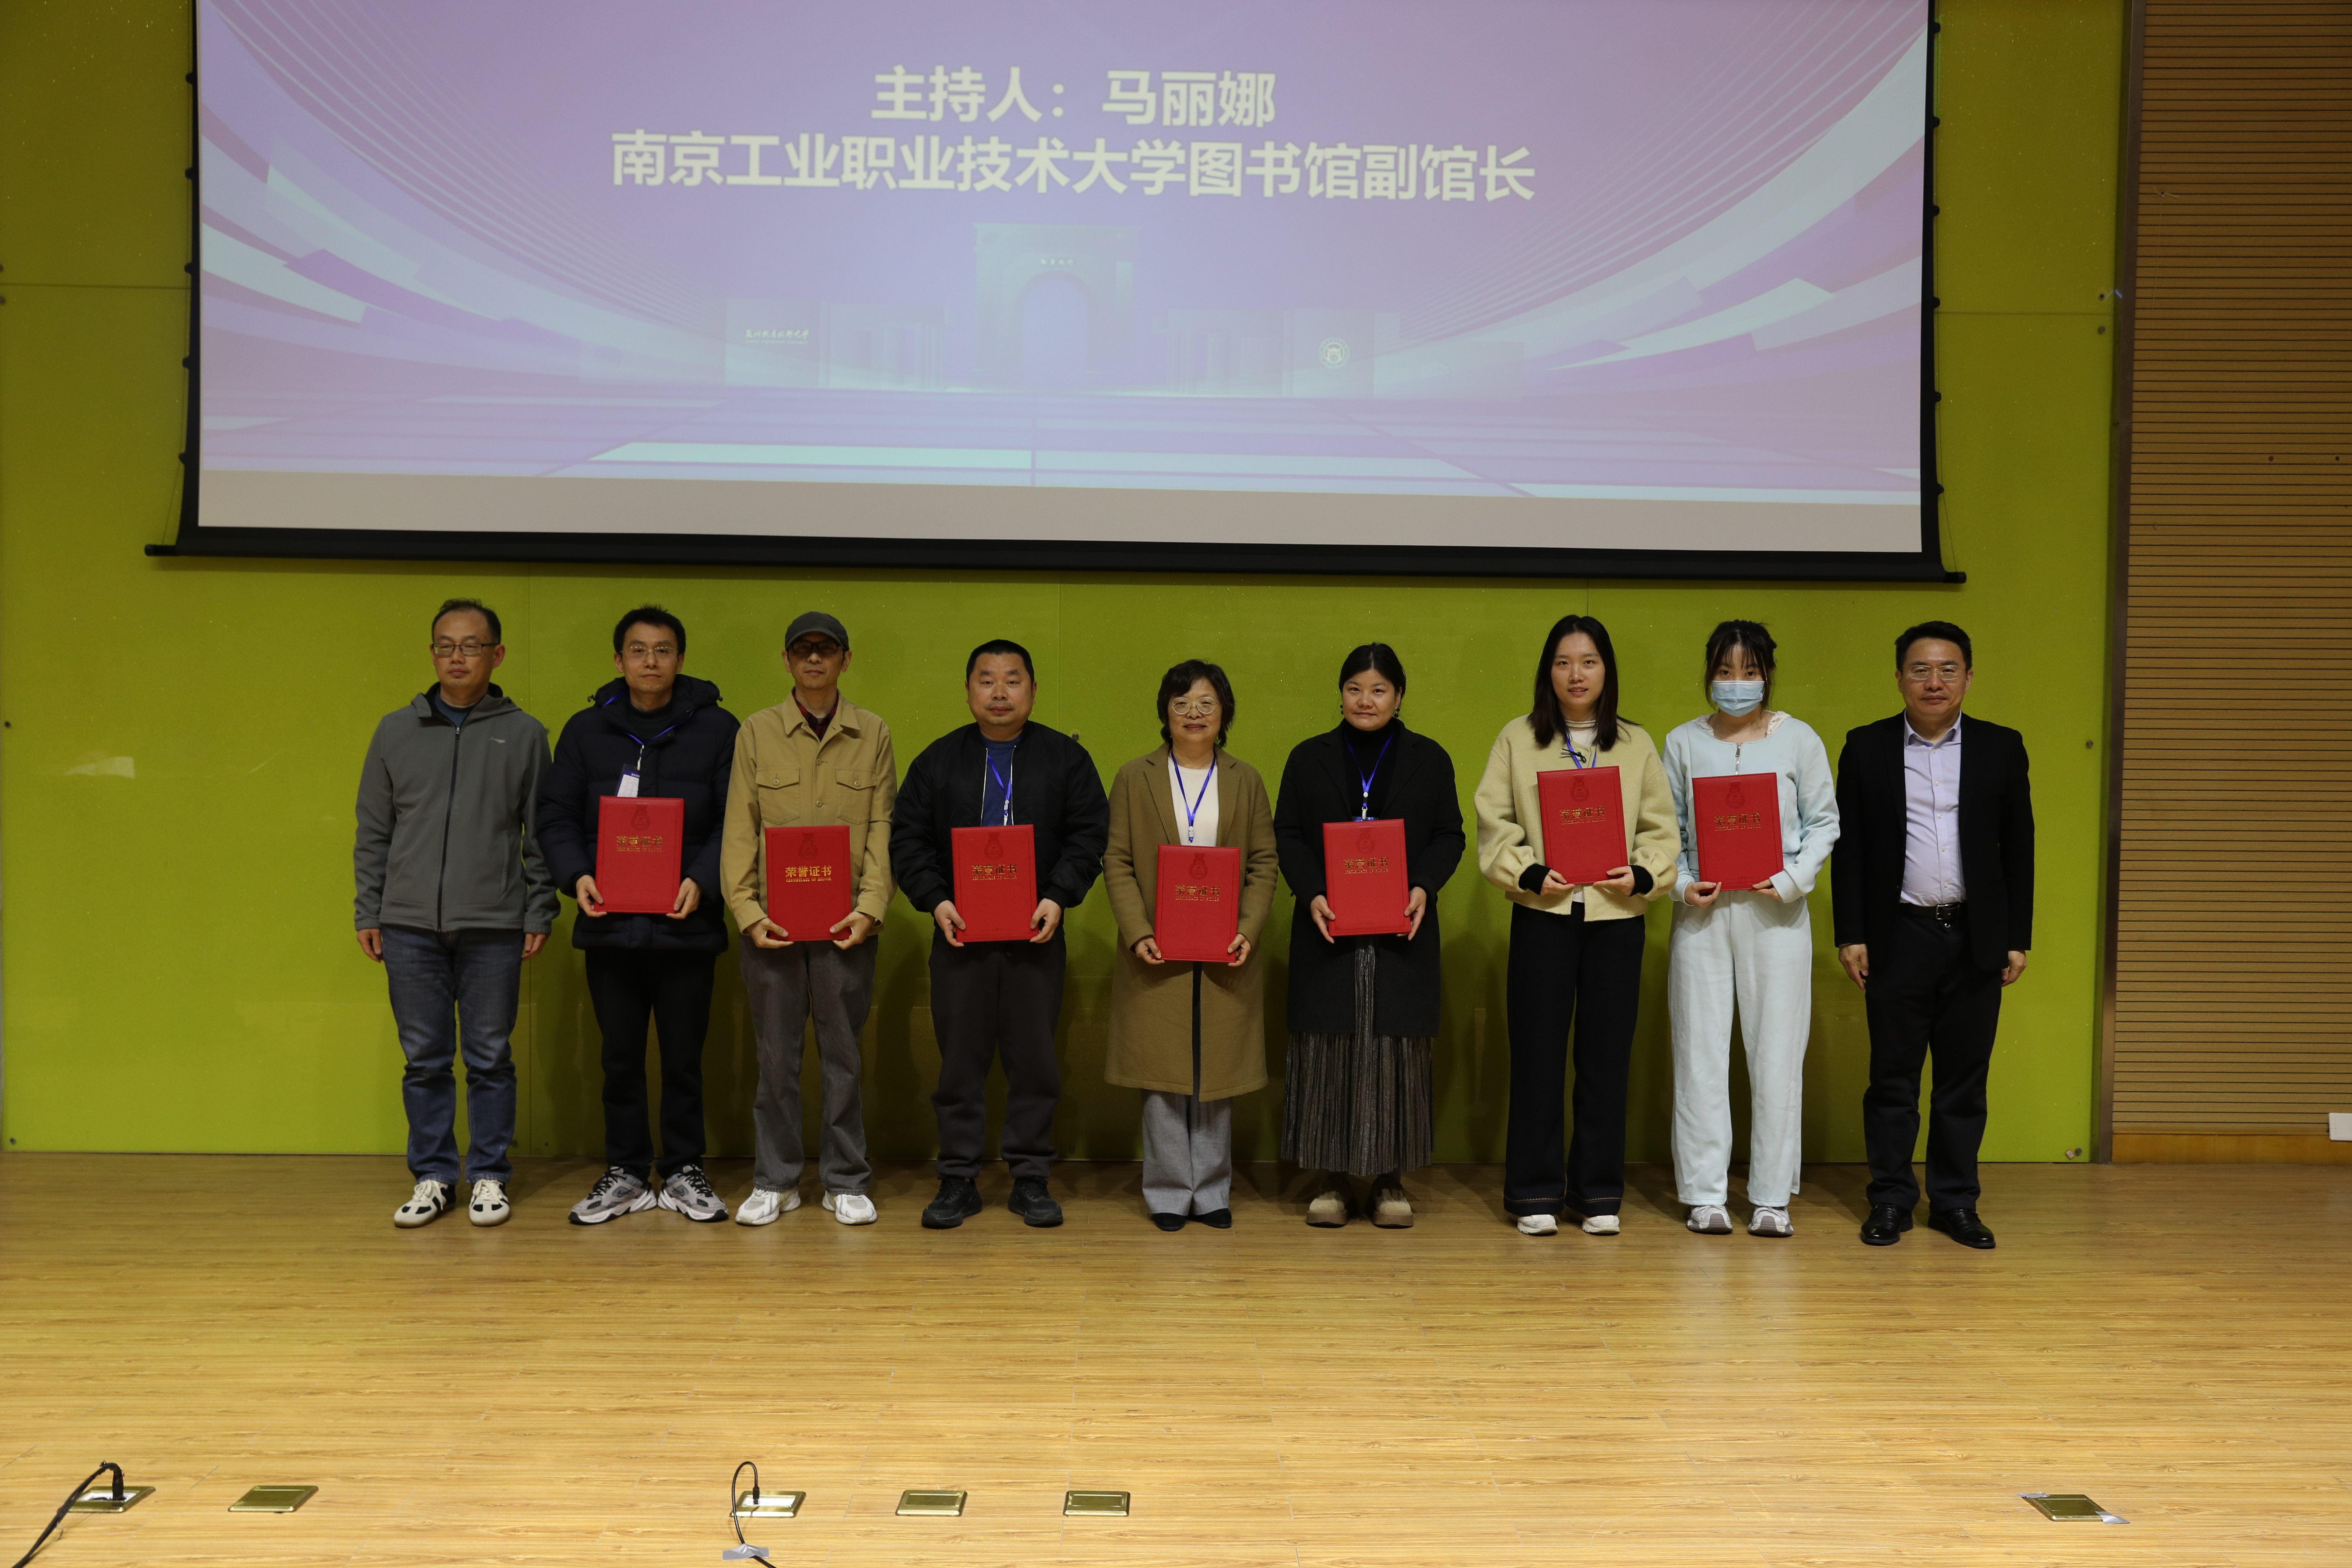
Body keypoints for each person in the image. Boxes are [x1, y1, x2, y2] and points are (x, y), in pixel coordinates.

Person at [890, 639, 1108, 1230]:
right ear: (969, 691)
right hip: (959, 936)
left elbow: (1089, 835)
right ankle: (958, 1178)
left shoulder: (1066, 760)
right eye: (987, 680)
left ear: (1033, 690)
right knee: (959, 1064)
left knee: (1035, 1062)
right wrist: (936, 901)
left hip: (1035, 935)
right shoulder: (938, 761)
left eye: (1013, 680)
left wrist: (1057, 896)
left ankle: (1030, 1177)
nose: (1000, 693)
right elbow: (907, 839)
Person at [354, 598, 557, 1230]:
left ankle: (490, 1173)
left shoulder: (525, 734)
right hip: (408, 923)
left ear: (498, 654)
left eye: (472, 646)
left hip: (494, 923)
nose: (458, 657)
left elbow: (541, 835)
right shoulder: (394, 731)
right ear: (433, 654)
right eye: (446, 645)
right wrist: (369, 908)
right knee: (425, 1058)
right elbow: (374, 831)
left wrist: (539, 910)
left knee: (490, 1057)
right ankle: (435, 1176)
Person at [1832, 621, 2034, 1250]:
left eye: (1948, 669)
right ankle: (1891, 1200)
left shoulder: (2002, 747)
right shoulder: (1866, 747)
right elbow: (1849, 849)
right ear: (1900, 678)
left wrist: (2016, 936)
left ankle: (1955, 1203)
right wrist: (1851, 933)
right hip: (1899, 934)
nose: (1934, 682)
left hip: (1976, 935)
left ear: (1968, 678)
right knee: (1893, 1079)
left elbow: (2020, 847)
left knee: (1963, 1081)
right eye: (1921, 670)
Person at [537, 606, 741, 1226]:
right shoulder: (585, 731)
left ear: (680, 659)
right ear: (619, 660)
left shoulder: (719, 729)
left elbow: (736, 820)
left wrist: (702, 881)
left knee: (684, 1059)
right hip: (610, 925)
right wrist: (578, 876)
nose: (651, 661)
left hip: (687, 924)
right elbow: (555, 817)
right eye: (638, 650)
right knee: (619, 1059)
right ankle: (626, 1172)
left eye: (663, 650)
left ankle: (683, 1171)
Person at [1474, 616, 1677, 1237]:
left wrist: (1642, 874)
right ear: (1549, 672)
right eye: (1563, 662)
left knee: (1605, 1059)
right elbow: (1494, 822)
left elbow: (1661, 829)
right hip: (1544, 916)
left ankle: (1596, 1193)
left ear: (1606, 671)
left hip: (1617, 919)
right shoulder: (1518, 738)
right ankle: (1535, 1191)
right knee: (1537, 1057)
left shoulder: (1636, 744)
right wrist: (1528, 872)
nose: (1576, 674)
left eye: (1589, 662)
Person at [1272, 644, 1464, 1228]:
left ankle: (1388, 1182)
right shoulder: (1308, 758)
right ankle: (1331, 1180)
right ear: (1341, 695)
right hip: (1328, 926)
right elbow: (1287, 834)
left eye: (1379, 690)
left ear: (1399, 697)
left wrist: (1424, 886)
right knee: (1328, 1050)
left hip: (1402, 929)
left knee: (1394, 1050)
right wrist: (1312, 892)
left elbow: (1450, 835)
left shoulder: (1430, 759)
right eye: (1355, 688)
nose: (1366, 700)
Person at [1660, 621, 1839, 1239]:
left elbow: (1824, 823)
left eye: (1750, 671)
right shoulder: (1683, 742)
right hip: (1702, 915)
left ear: (1768, 675)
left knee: (1777, 1056)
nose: (1737, 683)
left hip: (1776, 915)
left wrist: (1791, 879)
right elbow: (1668, 828)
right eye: (1725, 671)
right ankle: (1704, 1194)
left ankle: (1770, 1198)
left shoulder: (1799, 740)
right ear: (1710, 674)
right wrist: (1684, 884)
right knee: (1699, 1054)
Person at [719, 611, 897, 1227]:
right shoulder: (756, 732)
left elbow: (883, 825)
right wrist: (747, 912)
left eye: (826, 649)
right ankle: (776, 1180)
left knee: (844, 1058)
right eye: (803, 650)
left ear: (846, 659)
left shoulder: (873, 733)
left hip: (847, 927)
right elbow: (739, 827)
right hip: (773, 928)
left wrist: (871, 908)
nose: (814, 659)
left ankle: (846, 1179)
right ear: (788, 660)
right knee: (776, 1060)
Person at [1101, 660, 1280, 1230]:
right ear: (1165, 712)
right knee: (1163, 1072)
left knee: (1216, 1070)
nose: (1194, 714)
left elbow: (1264, 864)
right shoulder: (1135, 777)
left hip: (1226, 947)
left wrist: (1247, 929)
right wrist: (1138, 931)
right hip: (1156, 947)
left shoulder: (1246, 780)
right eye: (1182, 704)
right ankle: (1168, 1192)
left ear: (1224, 712)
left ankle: (1212, 1191)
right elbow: (1117, 862)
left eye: (1206, 703)